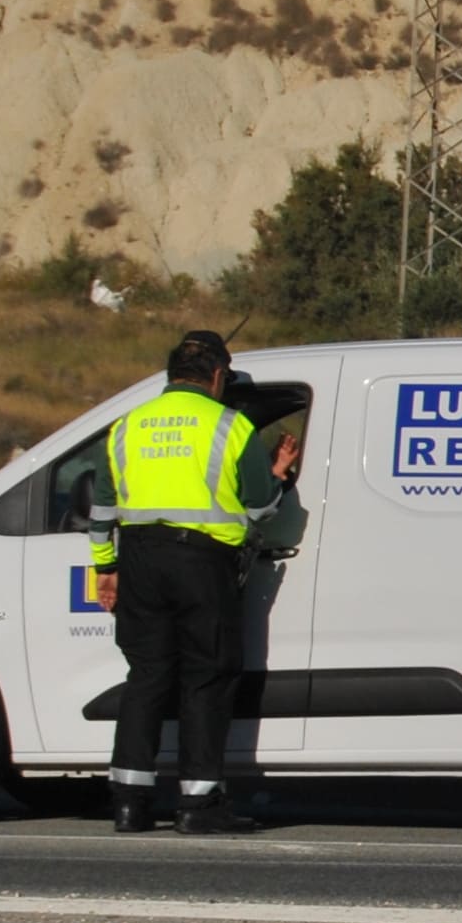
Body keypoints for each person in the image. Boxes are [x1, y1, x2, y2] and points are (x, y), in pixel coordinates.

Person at [91, 329, 300, 835]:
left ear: (170, 376)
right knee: (206, 676)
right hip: (202, 564)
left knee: (146, 677)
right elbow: (258, 508)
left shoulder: (127, 427)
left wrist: (106, 568)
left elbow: (100, 511)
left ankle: (129, 802)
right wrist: (276, 475)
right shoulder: (231, 426)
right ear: (216, 376)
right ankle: (199, 803)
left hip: (139, 560)